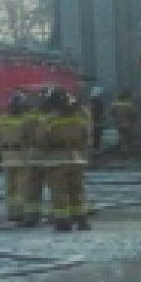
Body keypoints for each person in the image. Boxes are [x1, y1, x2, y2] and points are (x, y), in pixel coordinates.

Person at [38, 88, 90, 232]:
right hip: (75, 158)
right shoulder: (79, 117)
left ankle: (63, 221)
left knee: (59, 191)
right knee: (77, 190)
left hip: (57, 158)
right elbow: (86, 136)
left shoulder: (49, 119)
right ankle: (82, 220)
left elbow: (42, 140)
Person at [0, 92, 31, 224]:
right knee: (14, 187)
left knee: (16, 187)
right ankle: (15, 213)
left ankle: (18, 212)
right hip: (15, 156)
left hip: (13, 156)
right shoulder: (23, 119)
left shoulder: (2, 119)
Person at [20, 89, 52, 227]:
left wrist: (29, 150)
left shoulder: (28, 118)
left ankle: (31, 216)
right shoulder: (54, 118)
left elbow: (22, 138)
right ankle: (56, 214)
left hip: (33, 154)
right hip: (52, 154)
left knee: (32, 187)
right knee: (56, 187)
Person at [110, 89, 136, 155]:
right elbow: (133, 113)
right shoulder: (129, 103)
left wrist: (116, 117)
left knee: (122, 136)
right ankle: (126, 151)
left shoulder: (115, 103)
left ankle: (123, 150)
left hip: (119, 122)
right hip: (128, 122)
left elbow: (111, 112)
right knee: (127, 137)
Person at [89, 86, 107, 153]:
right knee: (97, 138)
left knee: (93, 138)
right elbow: (101, 114)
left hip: (91, 123)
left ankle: (93, 151)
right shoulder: (99, 103)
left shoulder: (90, 102)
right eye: (100, 94)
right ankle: (95, 151)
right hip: (97, 123)